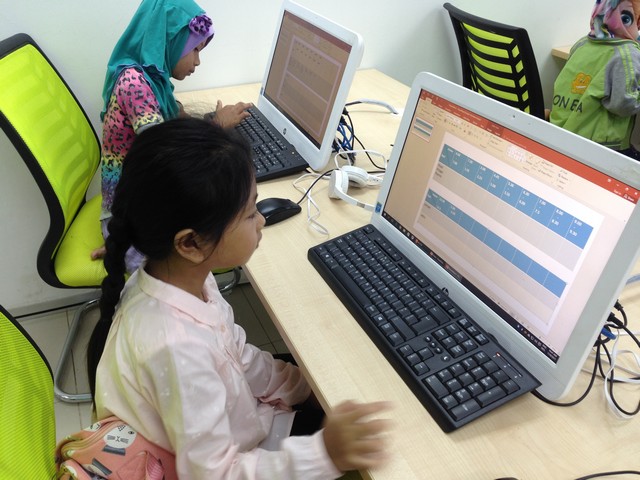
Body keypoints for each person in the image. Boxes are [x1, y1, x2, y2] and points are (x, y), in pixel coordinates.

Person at [86, 117, 392, 479]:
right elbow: (215, 474)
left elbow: (236, 355)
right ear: (191, 243)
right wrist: (325, 454)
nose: (261, 221)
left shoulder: (183, 278)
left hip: (236, 425)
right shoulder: (177, 349)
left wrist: (302, 388)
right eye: (249, 214)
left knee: (330, 388)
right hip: (219, 463)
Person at [93, 0, 252, 269]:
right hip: (129, 217)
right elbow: (167, 154)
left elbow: (178, 122)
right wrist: (217, 128)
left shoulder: (155, 81)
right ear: (170, 41)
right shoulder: (134, 84)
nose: (198, 62)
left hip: (150, 196)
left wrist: (213, 124)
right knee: (206, 246)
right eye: (195, 50)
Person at [550, 0, 640, 160]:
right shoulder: (628, 53)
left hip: (559, 132)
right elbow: (623, 106)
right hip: (599, 148)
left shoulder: (582, 43)